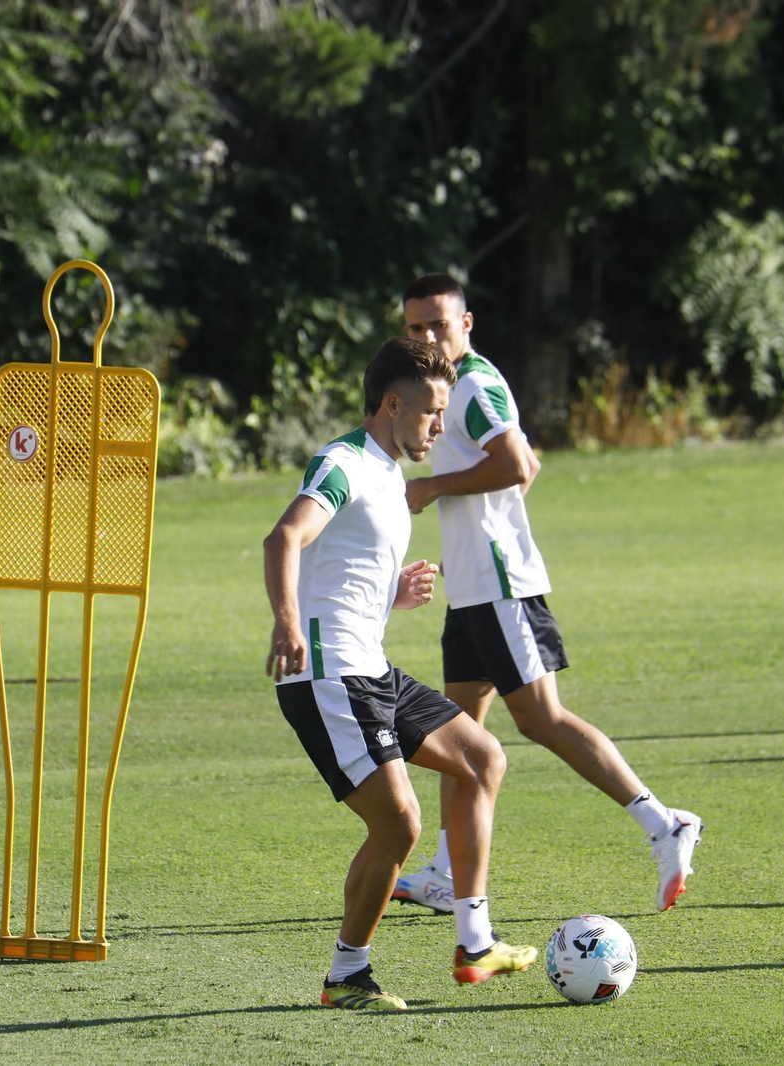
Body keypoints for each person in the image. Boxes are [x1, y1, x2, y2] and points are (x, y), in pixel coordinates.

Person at [390, 273, 703, 916]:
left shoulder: (472, 384)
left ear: (466, 324)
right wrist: (475, 534)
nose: (426, 336)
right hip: (475, 588)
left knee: (539, 719)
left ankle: (663, 822)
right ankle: (449, 874)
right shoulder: (448, 388)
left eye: (438, 325)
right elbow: (514, 471)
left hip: (501, 589)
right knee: (459, 738)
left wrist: (433, 492)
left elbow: (519, 464)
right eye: (415, 326)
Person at [265, 336, 538, 1011]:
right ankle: (346, 977)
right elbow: (286, 537)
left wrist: (391, 597)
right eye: (431, 414)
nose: (441, 427)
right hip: (325, 673)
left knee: (481, 758)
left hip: (370, 668)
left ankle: (475, 942)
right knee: (400, 827)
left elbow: (342, 570)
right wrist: (288, 622)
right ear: (392, 404)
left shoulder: (389, 473)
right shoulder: (345, 462)